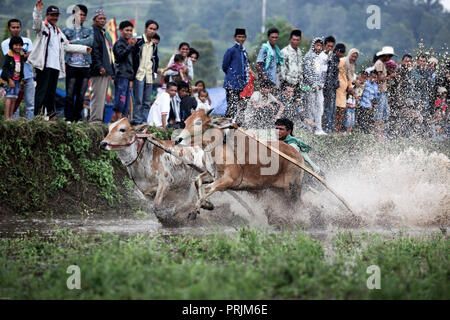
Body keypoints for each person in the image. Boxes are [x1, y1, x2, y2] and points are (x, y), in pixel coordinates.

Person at [28, 1, 91, 121]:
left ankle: (51, 115)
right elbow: (36, 24)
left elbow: (66, 46)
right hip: (44, 65)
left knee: (51, 92)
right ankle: (37, 116)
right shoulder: (42, 27)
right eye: (52, 15)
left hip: (55, 67)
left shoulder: (58, 31)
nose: (54, 17)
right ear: (47, 15)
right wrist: (37, 10)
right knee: (42, 91)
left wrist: (84, 49)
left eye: (56, 15)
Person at [62, 4, 93, 122]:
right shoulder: (66, 30)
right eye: (79, 14)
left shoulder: (89, 30)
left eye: (84, 15)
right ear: (74, 15)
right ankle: (68, 118)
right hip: (71, 65)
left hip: (85, 66)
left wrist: (73, 41)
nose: (82, 16)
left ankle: (77, 118)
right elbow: (65, 44)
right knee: (69, 94)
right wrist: (80, 44)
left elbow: (90, 41)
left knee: (81, 96)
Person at [1, 19, 35, 120]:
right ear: (9, 28)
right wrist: (25, 54)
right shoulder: (5, 43)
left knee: (30, 103)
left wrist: (25, 55)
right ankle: (14, 123)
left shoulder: (27, 41)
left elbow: (32, 56)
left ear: (20, 28)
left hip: (27, 75)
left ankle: (30, 123)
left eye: (18, 27)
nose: (16, 29)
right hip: (13, 78)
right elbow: (12, 58)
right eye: (13, 27)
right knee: (14, 101)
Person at [132, 19, 159, 125]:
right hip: (139, 74)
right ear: (146, 28)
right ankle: (137, 121)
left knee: (147, 101)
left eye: (154, 29)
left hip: (149, 75)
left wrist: (155, 71)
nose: (152, 31)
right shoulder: (138, 42)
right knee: (138, 100)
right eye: (150, 28)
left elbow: (156, 59)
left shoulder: (154, 45)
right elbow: (133, 57)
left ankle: (144, 121)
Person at [89, 8, 114, 123]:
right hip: (98, 70)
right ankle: (95, 119)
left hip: (105, 70)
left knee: (102, 96)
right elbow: (95, 52)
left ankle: (99, 119)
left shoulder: (101, 32)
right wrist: (100, 66)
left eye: (104, 18)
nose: (103, 20)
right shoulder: (94, 32)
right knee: (97, 96)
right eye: (100, 18)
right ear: (94, 20)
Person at [111, 20, 136, 121]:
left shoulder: (128, 43)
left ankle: (124, 121)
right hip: (121, 74)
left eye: (130, 30)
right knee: (120, 99)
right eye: (127, 30)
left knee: (126, 101)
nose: (129, 32)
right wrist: (130, 46)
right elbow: (120, 57)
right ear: (121, 31)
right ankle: (118, 120)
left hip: (127, 76)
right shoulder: (118, 43)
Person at [222, 28, 249, 121]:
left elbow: (245, 67)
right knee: (231, 105)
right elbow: (224, 66)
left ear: (245, 38)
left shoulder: (244, 51)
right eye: (239, 36)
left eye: (243, 37)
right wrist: (231, 76)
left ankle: (232, 123)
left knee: (236, 105)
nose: (241, 39)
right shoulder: (231, 50)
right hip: (231, 83)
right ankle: (226, 123)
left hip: (239, 84)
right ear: (235, 38)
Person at [302, 37, 326, 135]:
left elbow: (323, 73)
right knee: (310, 108)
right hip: (310, 87)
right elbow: (306, 73)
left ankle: (318, 128)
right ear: (313, 46)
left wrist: (321, 84)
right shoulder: (308, 56)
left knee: (319, 107)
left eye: (321, 45)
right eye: (317, 45)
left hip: (319, 87)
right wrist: (314, 84)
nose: (319, 48)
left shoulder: (321, 57)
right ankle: (309, 129)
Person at [373, 46, 397, 139]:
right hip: (380, 91)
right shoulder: (379, 64)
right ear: (386, 55)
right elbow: (379, 79)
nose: (390, 58)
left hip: (383, 91)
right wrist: (390, 76)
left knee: (385, 113)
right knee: (379, 113)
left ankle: (382, 134)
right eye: (390, 56)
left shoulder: (382, 63)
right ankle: (378, 134)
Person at [323, 43, 346, 133]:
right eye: (340, 52)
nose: (341, 54)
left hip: (333, 89)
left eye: (343, 53)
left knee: (332, 110)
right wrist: (329, 91)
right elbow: (329, 77)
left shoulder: (337, 60)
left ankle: (330, 129)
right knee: (329, 110)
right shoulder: (332, 60)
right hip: (329, 89)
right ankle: (327, 129)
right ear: (336, 51)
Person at [335, 48, 359, 133]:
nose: (354, 58)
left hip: (343, 91)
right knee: (337, 110)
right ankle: (333, 129)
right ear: (349, 54)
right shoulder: (342, 61)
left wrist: (351, 89)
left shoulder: (352, 66)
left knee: (341, 110)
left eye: (356, 57)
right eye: (353, 56)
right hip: (337, 88)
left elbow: (349, 80)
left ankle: (337, 130)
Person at [1, 37, 25, 119]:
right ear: (11, 45)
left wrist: (22, 80)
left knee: (14, 98)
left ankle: (11, 117)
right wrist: (9, 79)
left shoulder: (21, 55)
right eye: (16, 45)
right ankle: (6, 118)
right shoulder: (8, 55)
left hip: (17, 80)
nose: (18, 47)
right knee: (9, 97)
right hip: (9, 80)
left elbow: (22, 68)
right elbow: (5, 68)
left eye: (19, 45)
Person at [280, 29, 303, 95]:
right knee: (286, 104)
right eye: (294, 39)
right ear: (290, 40)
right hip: (287, 85)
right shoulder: (284, 52)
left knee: (298, 104)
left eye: (297, 40)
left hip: (297, 84)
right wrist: (285, 85)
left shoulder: (299, 51)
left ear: (300, 41)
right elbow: (281, 69)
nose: (295, 42)